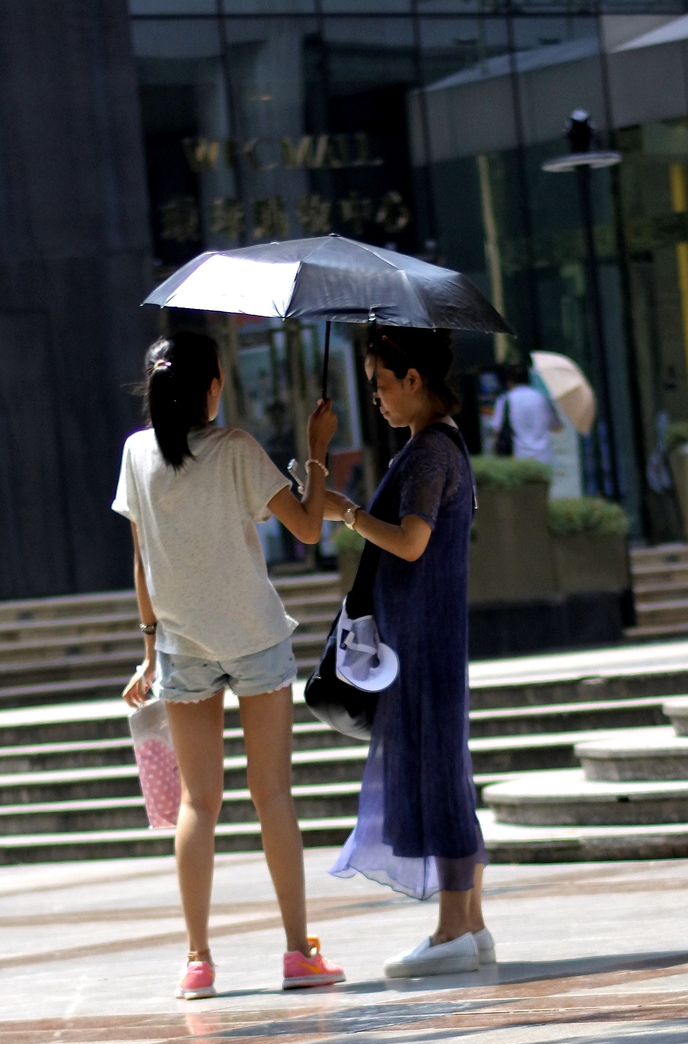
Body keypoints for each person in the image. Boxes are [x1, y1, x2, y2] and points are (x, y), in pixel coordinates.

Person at [114, 330, 345, 1000]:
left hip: (184, 647)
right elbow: (307, 527)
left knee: (197, 802)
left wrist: (151, 646)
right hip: (253, 637)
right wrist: (318, 449)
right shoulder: (238, 449)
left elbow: (141, 561)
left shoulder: (136, 454)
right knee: (271, 794)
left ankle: (197, 961)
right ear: (213, 386)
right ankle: (299, 953)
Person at [324, 326, 493, 978]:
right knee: (445, 774)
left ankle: (453, 927)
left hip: (423, 645)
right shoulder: (441, 445)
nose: (377, 399)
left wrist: (348, 514)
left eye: (381, 384)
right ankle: (470, 924)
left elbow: (413, 541)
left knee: (437, 778)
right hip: (430, 640)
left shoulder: (428, 452)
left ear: (414, 380)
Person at [491, 362, 560, 465]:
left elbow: (496, 429)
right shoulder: (542, 398)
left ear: (509, 382)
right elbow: (556, 426)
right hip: (544, 457)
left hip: (518, 458)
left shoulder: (505, 400)